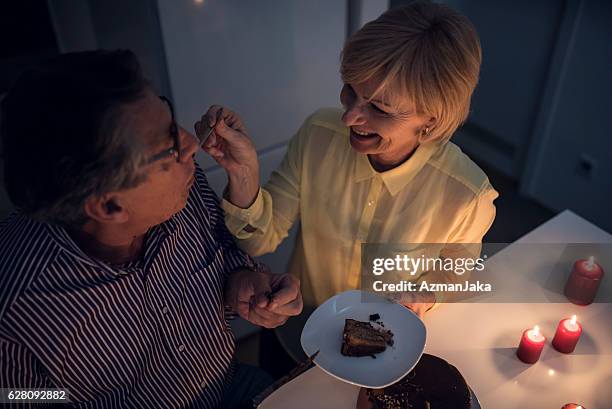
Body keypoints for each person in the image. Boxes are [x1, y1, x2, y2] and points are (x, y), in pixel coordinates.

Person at [0, 50, 302, 409]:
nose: (191, 142)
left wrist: (242, 282)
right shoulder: (16, 306)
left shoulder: (184, 191)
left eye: (169, 116)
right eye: (169, 146)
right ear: (109, 206)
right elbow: (16, 396)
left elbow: (225, 254)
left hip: (229, 385)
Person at [197, 0, 497, 318]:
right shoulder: (317, 134)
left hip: (386, 344)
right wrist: (243, 173)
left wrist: (423, 294)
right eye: (350, 91)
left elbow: (455, 270)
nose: (349, 117)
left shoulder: (468, 195)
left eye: (379, 109)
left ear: (431, 123)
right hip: (302, 325)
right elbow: (259, 242)